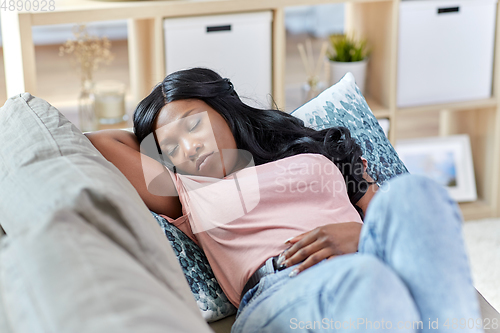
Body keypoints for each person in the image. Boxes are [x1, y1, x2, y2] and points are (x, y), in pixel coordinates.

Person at [86, 68, 483, 333]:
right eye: (170, 146)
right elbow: (102, 142)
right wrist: (154, 125)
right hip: (282, 291)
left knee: (418, 193)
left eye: (194, 124)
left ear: (225, 112)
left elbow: (396, 219)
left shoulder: (309, 153)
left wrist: (363, 238)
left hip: (366, 260)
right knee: (370, 282)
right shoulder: (186, 193)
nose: (188, 146)